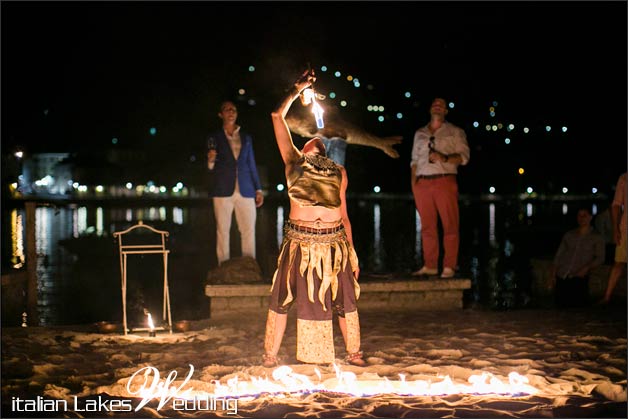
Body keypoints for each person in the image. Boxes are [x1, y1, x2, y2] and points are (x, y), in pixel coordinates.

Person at [262, 69, 365, 368]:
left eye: (321, 142)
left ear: (327, 153)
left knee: (345, 301)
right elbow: (275, 116)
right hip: (299, 244)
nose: (316, 141)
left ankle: (354, 352)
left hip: (335, 246)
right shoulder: (294, 162)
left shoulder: (338, 172)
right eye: (310, 141)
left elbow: (344, 216)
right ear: (303, 147)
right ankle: (270, 354)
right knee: (281, 298)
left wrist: (353, 255)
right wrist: (297, 90)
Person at [410, 97, 470, 279]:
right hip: (422, 182)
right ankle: (430, 265)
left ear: (445, 111)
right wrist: (414, 184)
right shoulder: (419, 133)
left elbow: (464, 157)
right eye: (434, 103)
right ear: (430, 109)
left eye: (441, 105)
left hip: (444, 180)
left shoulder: (455, 132)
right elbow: (414, 161)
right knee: (427, 227)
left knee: (450, 225)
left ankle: (449, 266)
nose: (437, 106)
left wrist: (444, 158)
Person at [207, 100, 264, 265]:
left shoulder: (246, 137)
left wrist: (258, 189)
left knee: (248, 230)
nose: (231, 112)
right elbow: (210, 167)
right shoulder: (214, 137)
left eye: (233, 109)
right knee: (223, 231)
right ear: (221, 114)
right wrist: (210, 161)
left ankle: (249, 265)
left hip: (246, 189)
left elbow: (251, 163)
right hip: (222, 190)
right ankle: (222, 266)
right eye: (226, 109)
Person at [549, 206, 605, 308]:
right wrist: (553, 275)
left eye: (584, 216)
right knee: (560, 307)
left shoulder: (596, 237)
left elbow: (600, 257)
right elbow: (559, 255)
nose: (581, 218)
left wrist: (586, 268)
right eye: (579, 216)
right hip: (562, 276)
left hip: (579, 276)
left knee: (578, 307)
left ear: (590, 217)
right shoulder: (569, 235)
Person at [599, 172, 627, 304]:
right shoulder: (624, 178)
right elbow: (616, 204)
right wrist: (616, 229)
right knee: (619, 262)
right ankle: (607, 297)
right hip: (626, 228)